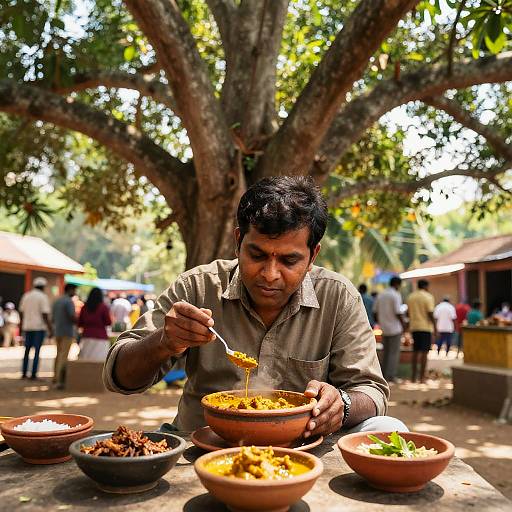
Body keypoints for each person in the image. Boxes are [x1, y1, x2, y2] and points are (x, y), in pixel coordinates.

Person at [104, 176, 407, 436]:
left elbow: (372, 391)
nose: (270, 274)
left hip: (301, 443)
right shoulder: (196, 287)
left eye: (289, 260)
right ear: (238, 241)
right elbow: (118, 376)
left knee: (387, 427)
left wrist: (343, 404)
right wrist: (164, 342)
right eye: (257, 255)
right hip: (203, 443)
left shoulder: (338, 297)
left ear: (312, 255)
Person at [19, 277, 53, 379]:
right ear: (43, 287)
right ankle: (33, 374)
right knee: (37, 351)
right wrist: (50, 328)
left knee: (27, 350)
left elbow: (21, 311)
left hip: (27, 327)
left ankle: (24, 373)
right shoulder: (43, 297)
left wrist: (22, 324)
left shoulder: (26, 296)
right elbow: (45, 314)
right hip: (39, 328)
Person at [372, 277, 405, 383]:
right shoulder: (395, 295)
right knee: (393, 353)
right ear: (397, 284)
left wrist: (380, 323)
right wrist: (404, 325)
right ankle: (391, 376)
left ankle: (383, 375)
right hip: (395, 328)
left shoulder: (381, 295)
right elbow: (398, 312)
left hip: (384, 328)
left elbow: (375, 312)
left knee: (385, 353)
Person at [407, 279, 436, 383]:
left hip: (414, 327)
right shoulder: (428, 296)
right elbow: (430, 313)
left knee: (415, 352)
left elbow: (407, 313)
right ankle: (422, 377)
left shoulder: (411, 297)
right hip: (425, 328)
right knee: (424, 352)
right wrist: (435, 327)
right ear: (425, 286)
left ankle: (413, 377)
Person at [52, 283, 78, 389]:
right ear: (70, 290)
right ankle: (60, 379)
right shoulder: (69, 301)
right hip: (67, 331)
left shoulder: (57, 301)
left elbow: (52, 317)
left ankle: (55, 377)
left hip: (57, 331)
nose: (75, 293)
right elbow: (72, 316)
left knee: (58, 355)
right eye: (74, 290)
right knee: (64, 356)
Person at [78, 287, 112, 361]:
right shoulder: (103, 307)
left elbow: (80, 323)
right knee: (99, 361)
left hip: (86, 336)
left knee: (86, 360)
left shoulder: (84, 307)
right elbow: (108, 322)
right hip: (100, 337)